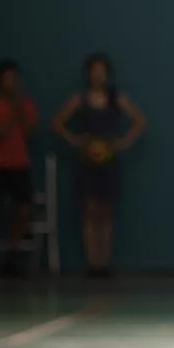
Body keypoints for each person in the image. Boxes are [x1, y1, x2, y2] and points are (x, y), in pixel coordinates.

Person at [52, 54, 146, 277]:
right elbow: (57, 123)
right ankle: (92, 262)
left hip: (108, 160)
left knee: (106, 211)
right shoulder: (80, 99)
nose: (98, 74)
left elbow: (140, 120)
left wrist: (124, 141)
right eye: (94, 70)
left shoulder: (116, 99)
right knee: (89, 210)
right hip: (87, 160)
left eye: (102, 70)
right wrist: (74, 139)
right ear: (88, 74)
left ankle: (105, 261)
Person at [0, 60, 39, 278]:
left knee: (24, 210)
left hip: (19, 165)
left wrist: (18, 107)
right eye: (7, 79)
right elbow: (2, 132)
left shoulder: (26, 104)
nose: (10, 83)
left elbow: (30, 131)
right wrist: (11, 109)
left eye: (14, 79)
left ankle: (12, 255)